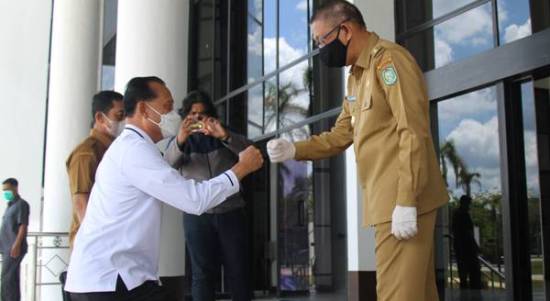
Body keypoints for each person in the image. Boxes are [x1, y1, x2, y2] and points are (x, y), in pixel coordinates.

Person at [266, 1, 449, 300]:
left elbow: (412, 129)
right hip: (388, 202)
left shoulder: (388, 62)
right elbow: (341, 134)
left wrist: (405, 200)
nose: (319, 49)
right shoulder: (356, 77)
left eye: (321, 40)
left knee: (396, 295)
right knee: (418, 294)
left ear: (346, 30)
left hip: (402, 201)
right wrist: (294, 149)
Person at [64, 76, 263, 301]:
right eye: (167, 106)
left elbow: (166, 177)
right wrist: (241, 169)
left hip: (118, 278)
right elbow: (193, 199)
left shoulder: (135, 148)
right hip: (110, 280)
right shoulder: (133, 151)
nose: (172, 115)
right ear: (143, 109)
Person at [164, 90, 251, 301]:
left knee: (238, 269)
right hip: (197, 214)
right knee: (202, 273)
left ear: (210, 115)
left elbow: (251, 154)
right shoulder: (181, 142)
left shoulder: (224, 134)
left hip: (230, 211)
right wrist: (180, 139)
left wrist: (225, 136)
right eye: (192, 115)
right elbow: (167, 165)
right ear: (185, 117)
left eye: (202, 115)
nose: (197, 119)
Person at [66, 91, 125, 246]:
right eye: (119, 115)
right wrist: (95, 242)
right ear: (100, 118)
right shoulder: (86, 153)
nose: (124, 121)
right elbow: (81, 202)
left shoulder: (115, 150)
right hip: (93, 244)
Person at [0, 178, 30, 301]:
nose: (5, 192)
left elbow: (23, 226)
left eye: (7, 189)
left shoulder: (21, 204)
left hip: (13, 248)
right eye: (3, 190)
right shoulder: (9, 206)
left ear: (15, 188)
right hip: (6, 247)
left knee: (7, 279)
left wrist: (16, 245)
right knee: (11, 279)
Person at [452, 195, 482, 290]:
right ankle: (473, 290)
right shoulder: (463, 214)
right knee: (473, 270)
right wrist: (475, 246)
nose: (469, 206)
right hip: (466, 247)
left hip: (460, 247)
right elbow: (468, 232)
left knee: (463, 271)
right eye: (468, 203)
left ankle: (465, 289)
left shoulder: (457, 214)